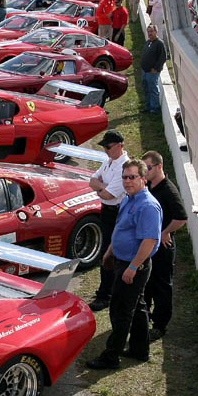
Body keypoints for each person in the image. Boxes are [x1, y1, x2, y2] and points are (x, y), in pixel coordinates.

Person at [86, 159, 162, 370]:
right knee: (136, 307)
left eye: (132, 177)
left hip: (133, 265)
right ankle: (139, 350)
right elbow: (121, 228)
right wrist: (110, 252)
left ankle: (111, 356)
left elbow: (150, 241)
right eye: (124, 177)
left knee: (121, 311)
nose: (127, 181)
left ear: (143, 179)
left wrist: (132, 267)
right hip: (121, 260)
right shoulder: (129, 198)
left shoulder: (148, 206)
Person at [142, 151, 187, 338]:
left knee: (161, 286)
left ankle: (160, 325)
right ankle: (144, 319)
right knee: (147, 284)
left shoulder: (168, 190)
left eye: (149, 168)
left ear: (159, 167)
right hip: (149, 244)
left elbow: (181, 217)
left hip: (163, 247)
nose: (146, 171)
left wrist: (165, 232)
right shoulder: (150, 186)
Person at [86, 130, 129, 311]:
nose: (105, 150)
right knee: (106, 252)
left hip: (117, 212)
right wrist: (103, 188)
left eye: (108, 147)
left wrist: (103, 188)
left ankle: (107, 294)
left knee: (110, 253)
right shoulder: (109, 161)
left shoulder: (124, 166)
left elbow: (110, 194)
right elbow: (92, 181)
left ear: (119, 145)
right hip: (107, 211)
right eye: (104, 147)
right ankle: (106, 291)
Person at [141, 23, 167, 113]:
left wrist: (156, 68)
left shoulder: (159, 43)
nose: (150, 33)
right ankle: (148, 106)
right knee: (146, 89)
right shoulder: (148, 42)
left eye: (151, 31)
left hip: (152, 71)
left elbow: (163, 57)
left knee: (153, 89)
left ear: (156, 32)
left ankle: (155, 108)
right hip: (145, 70)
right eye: (148, 32)